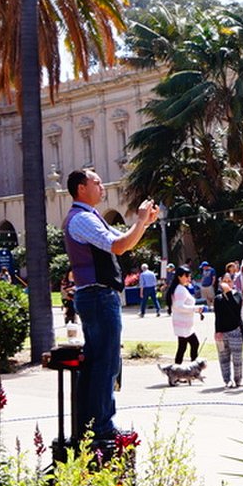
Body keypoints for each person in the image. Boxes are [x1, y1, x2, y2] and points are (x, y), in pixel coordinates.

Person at [62, 168, 161, 451]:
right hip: (97, 296)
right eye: (96, 182)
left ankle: (93, 425)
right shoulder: (81, 219)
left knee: (100, 362)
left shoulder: (88, 217)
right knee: (104, 363)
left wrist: (143, 224)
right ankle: (101, 427)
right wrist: (141, 220)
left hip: (97, 296)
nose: (102, 186)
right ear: (81, 188)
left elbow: (125, 242)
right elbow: (119, 247)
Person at [212, 270, 243, 388]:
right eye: (224, 281)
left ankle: (238, 379)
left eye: (229, 281)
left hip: (235, 330)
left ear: (233, 282)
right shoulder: (218, 298)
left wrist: (229, 292)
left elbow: (235, 308)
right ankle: (227, 380)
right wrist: (217, 332)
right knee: (223, 358)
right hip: (222, 331)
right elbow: (217, 316)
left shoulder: (237, 295)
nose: (226, 283)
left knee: (237, 358)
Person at [168, 265, 201, 367]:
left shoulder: (179, 288)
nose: (189, 279)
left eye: (189, 276)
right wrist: (196, 309)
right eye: (186, 276)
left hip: (183, 323)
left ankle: (178, 371)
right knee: (193, 344)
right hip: (183, 324)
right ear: (179, 276)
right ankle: (192, 369)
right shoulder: (180, 289)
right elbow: (179, 306)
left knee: (184, 346)